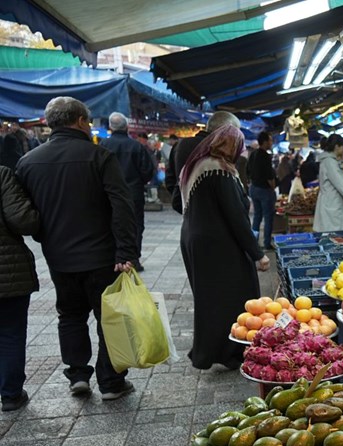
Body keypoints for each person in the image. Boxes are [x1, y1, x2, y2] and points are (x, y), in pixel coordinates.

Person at [16, 96, 138, 400]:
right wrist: (126, 252)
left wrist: (47, 236)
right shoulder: (99, 157)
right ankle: (111, 382)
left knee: (69, 316)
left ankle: (78, 375)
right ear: (81, 121)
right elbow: (122, 206)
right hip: (102, 256)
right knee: (108, 318)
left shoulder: (28, 162)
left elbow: (25, 213)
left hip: (59, 257)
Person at [178, 124, 269, 370]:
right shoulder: (219, 169)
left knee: (210, 299)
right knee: (236, 296)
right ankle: (231, 351)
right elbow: (236, 217)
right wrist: (257, 253)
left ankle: (208, 350)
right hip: (217, 244)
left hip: (195, 239)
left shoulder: (196, 165)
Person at [0, 165, 41, 412]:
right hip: (7, 271)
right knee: (10, 332)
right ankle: (11, 394)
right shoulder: (2, 174)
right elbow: (23, 220)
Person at [101, 113, 156, 271]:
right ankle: (133, 259)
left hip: (108, 194)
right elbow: (147, 171)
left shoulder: (103, 146)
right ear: (126, 127)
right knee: (136, 226)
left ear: (111, 127)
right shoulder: (136, 146)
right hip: (133, 193)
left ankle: (114, 258)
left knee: (110, 224)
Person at [165, 111, 241, 213]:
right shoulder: (219, 149)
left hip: (186, 211)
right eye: (235, 132)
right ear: (225, 130)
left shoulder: (180, 145)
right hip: (212, 215)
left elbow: (170, 179)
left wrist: (183, 198)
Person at [247, 131, 277, 249]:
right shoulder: (265, 156)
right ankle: (266, 243)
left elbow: (247, 171)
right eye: (270, 140)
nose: (271, 142)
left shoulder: (253, 154)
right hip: (264, 190)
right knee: (268, 217)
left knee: (257, 216)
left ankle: (254, 242)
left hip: (254, 188)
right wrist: (273, 186)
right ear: (265, 142)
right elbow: (269, 175)